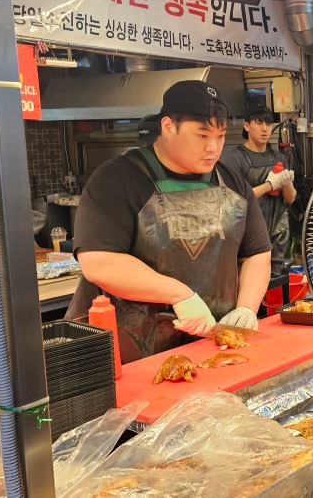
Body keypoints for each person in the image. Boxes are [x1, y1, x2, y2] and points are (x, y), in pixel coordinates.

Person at [66, 80, 272, 363]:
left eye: (221, 136)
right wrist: (180, 295)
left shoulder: (233, 182)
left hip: (213, 349)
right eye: (202, 136)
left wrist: (246, 309)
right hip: (131, 357)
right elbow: (99, 262)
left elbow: (257, 253)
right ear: (168, 126)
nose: (213, 148)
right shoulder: (118, 178)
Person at [221, 107, 296, 274]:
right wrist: (270, 185)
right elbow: (234, 200)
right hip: (248, 232)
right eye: (259, 123)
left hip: (278, 233)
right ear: (247, 126)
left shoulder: (279, 157)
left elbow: (290, 199)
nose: (265, 128)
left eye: (269, 124)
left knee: (279, 286)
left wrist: (286, 182)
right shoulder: (235, 158)